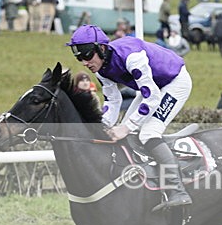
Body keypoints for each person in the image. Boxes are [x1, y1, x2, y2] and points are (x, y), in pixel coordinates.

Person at [66, 24, 193, 211]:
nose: (84, 62)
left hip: (174, 82)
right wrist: (101, 127)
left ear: (101, 48)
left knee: (148, 133)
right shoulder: (101, 69)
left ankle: (177, 190)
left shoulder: (132, 57)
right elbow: (112, 100)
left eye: (86, 55)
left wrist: (125, 127)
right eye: (79, 57)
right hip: (153, 87)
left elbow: (153, 97)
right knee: (126, 131)